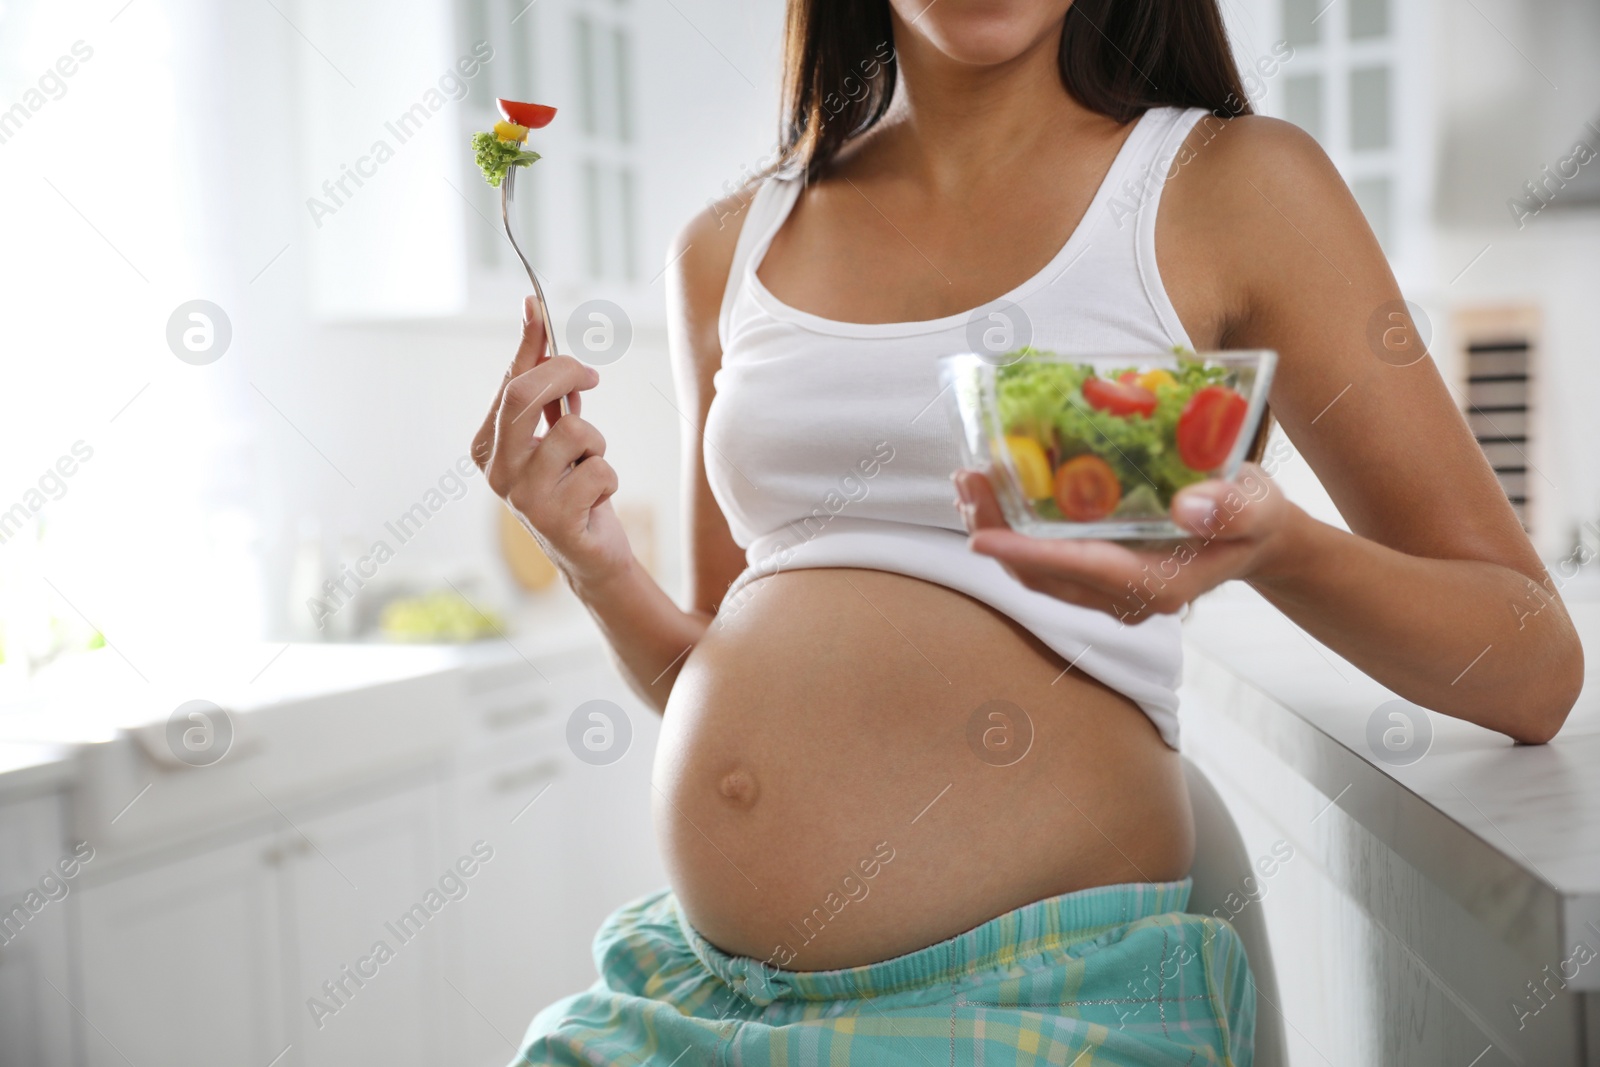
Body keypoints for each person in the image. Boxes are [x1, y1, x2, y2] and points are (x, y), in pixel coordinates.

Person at [471, 1, 1583, 1063]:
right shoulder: (726, 246)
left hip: (1038, 998)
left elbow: (1530, 666)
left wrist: (1282, 549)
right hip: (698, 998)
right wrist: (595, 566)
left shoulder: (1233, 188)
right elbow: (715, 663)